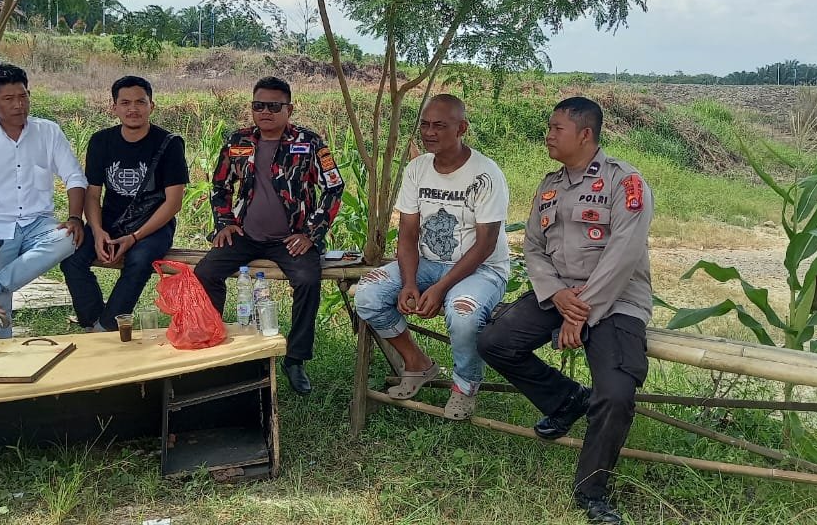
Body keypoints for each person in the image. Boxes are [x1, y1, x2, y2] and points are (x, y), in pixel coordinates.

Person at [478, 97, 653, 525]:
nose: (548, 135)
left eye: (557, 128)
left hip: (615, 301)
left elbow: (623, 255)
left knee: (614, 394)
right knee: (495, 342)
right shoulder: (550, 185)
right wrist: (557, 296)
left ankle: (592, 493)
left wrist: (581, 312)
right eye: (549, 128)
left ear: (585, 134)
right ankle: (566, 399)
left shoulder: (624, 181)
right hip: (558, 296)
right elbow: (534, 249)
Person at [353, 94, 510, 420]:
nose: (429, 132)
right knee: (367, 293)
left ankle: (466, 384)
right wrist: (410, 282)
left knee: (462, 313)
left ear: (461, 128)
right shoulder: (417, 169)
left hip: (482, 269)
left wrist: (440, 289)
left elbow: (484, 246)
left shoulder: (486, 174)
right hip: (426, 263)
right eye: (425, 124)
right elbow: (408, 233)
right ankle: (417, 363)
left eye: (440, 125)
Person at [193, 76, 344, 394]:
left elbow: (334, 186)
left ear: (289, 109)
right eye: (258, 105)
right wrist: (224, 223)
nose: (266, 112)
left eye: (274, 106)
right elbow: (220, 185)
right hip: (246, 234)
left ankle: (295, 358)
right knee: (206, 272)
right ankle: (213, 338)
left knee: (307, 280)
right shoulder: (239, 141)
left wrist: (312, 234)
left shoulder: (309, 142)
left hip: (292, 237)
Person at [0, 64, 87, 333]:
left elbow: (74, 177)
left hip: (39, 224)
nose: (18, 105)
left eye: (23, 96)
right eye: (9, 99)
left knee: (68, 238)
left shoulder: (48, 132)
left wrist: (74, 217)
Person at [61, 75, 189, 330]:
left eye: (141, 102)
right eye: (125, 102)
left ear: (152, 106)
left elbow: (173, 203)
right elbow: (93, 195)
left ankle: (106, 328)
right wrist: (97, 232)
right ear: (114, 107)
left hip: (153, 225)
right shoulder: (101, 141)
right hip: (109, 221)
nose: (133, 109)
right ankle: (92, 321)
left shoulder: (170, 144)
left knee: (139, 260)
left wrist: (134, 237)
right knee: (71, 257)